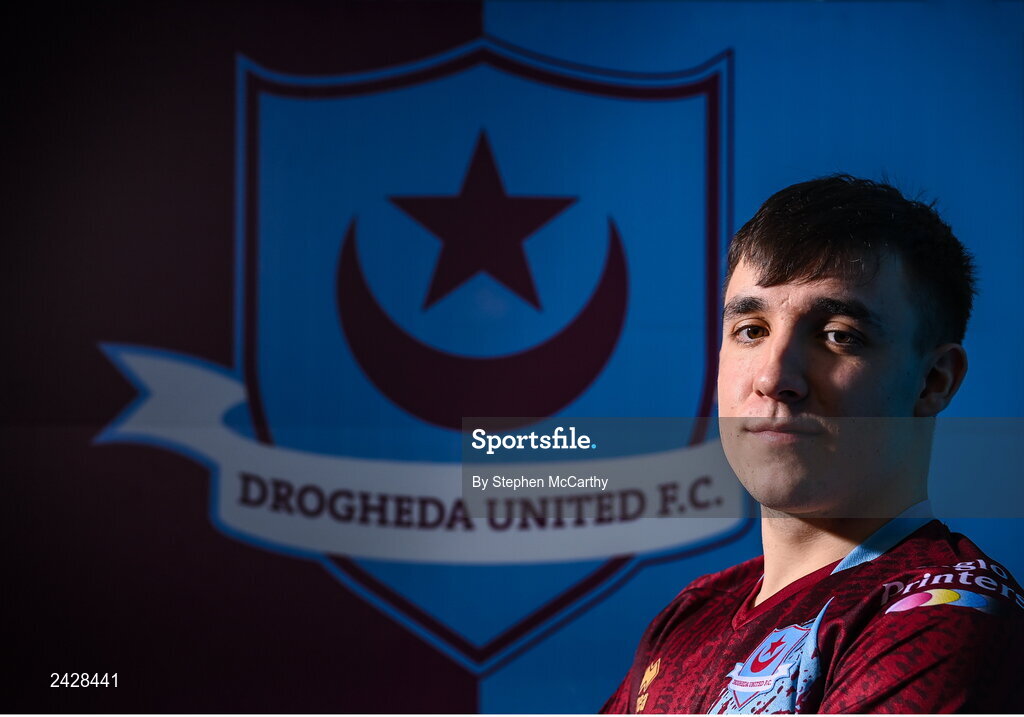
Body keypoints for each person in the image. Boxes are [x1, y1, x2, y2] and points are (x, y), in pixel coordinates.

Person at [601, 175, 1024, 713]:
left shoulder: (942, 614)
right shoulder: (691, 615)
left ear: (933, 380)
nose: (774, 376)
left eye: (838, 335)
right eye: (751, 329)